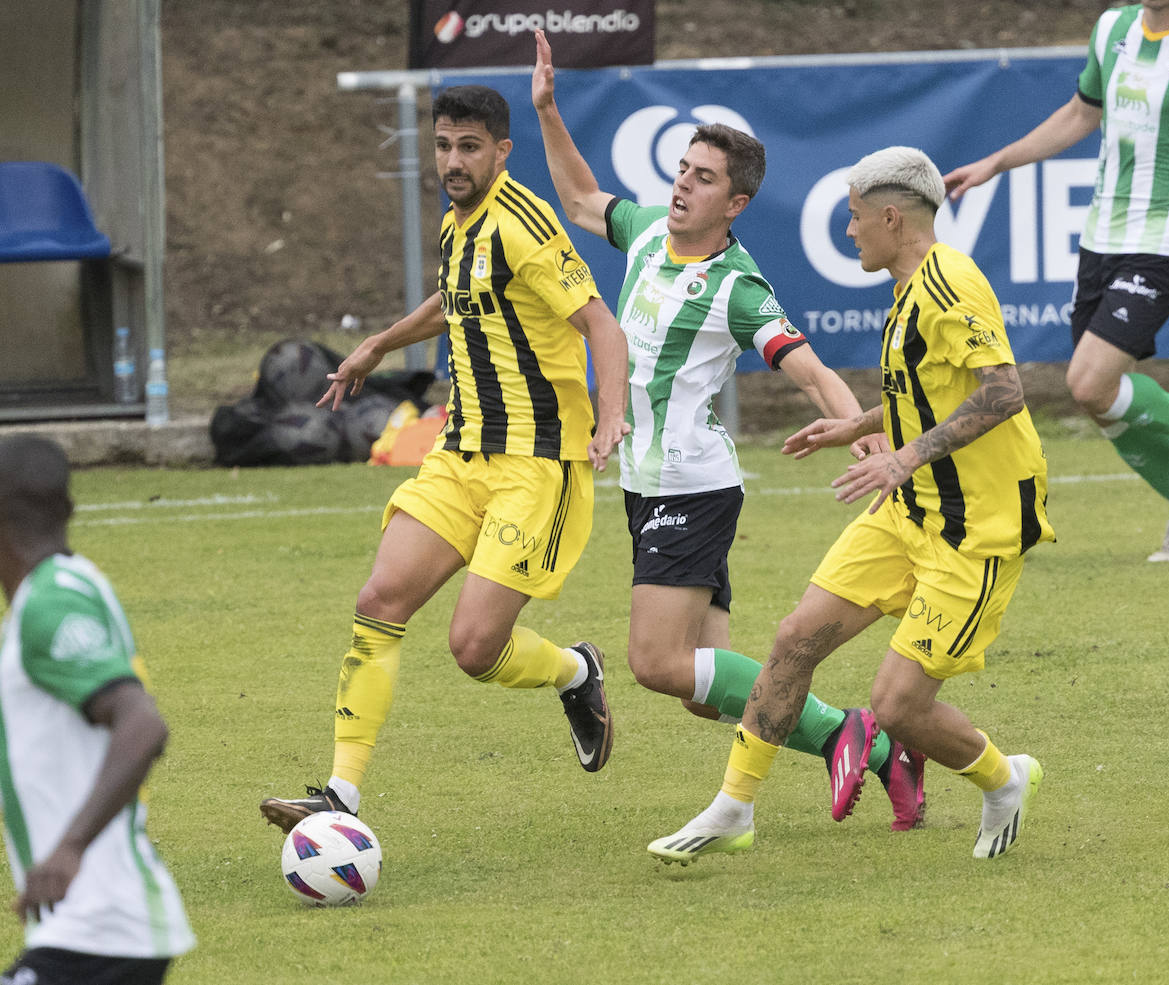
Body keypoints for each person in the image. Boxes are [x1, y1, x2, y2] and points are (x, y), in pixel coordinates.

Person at [530, 30, 927, 832]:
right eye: (682, 168)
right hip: (648, 487)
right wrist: (545, 108)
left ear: (734, 203)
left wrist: (855, 426)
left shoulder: (737, 287)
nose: (682, 185)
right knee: (698, 692)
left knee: (653, 663)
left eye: (703, 178)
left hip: (692, 487)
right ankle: (882, 752)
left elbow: (806, 365)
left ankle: (851, 730)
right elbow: (579, 199)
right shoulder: (644, 230)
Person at [649, 147, 1055, 864]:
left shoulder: (950, 282)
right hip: (907, 516)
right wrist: (861, 426)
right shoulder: (908, 287)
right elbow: (929, 389)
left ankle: (1004, 776)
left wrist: (904, 456)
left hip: (974, 531)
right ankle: (733, 807)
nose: (848, 231)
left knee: (898, 707)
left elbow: (1002, 391)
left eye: (855, 217)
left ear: (891, 217)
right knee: (795, 637)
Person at [260, 84, 631, 832]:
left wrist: (612, 416)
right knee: (379, 601)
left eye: (469, 147)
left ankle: (575, 670)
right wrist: (377, 343)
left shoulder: (524, 225)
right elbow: (453, 297)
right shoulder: (457, 225)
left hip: (537, 465)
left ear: (502, 150)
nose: (452, 161)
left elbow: (600, 323)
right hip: (460, 455)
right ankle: (340, 794)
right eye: (442, 145)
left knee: (473, 648)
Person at [943, 0, 1169, 562]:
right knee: (1102, 400)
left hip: (1167, 242)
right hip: (1100, 237)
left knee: (1088, 383)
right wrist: (996, 163)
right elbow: (1079, 114)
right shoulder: (1112, 28)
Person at [0, 435, 195, 984]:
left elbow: (142, 722)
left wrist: (68, 848)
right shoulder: (75, 581)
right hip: (97, 927)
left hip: (99, 927)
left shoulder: (50, 603)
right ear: (68, 508)